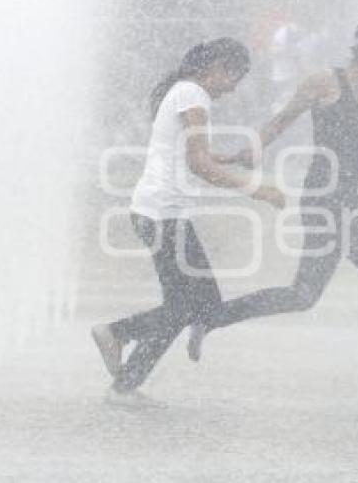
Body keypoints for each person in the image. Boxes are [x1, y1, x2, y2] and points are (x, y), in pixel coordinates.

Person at [190, 19, 358, 394]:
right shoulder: (324, 83)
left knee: (303, 295)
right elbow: (281, 121)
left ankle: (212, 317)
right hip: (322, 202)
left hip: (349, 204)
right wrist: (248, 150)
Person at [91, 38, 285, 405]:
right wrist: (260, 190)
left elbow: (196, 156)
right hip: (163, 215)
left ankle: (125, 377)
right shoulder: (193, 94)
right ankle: (117, 337)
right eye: (233, 77)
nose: (232, 88)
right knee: (192, 308)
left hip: (161, 212)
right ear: (215, 67)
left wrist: (228, 160)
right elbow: (198, 164)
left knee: (192, 306)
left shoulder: (185, 93)